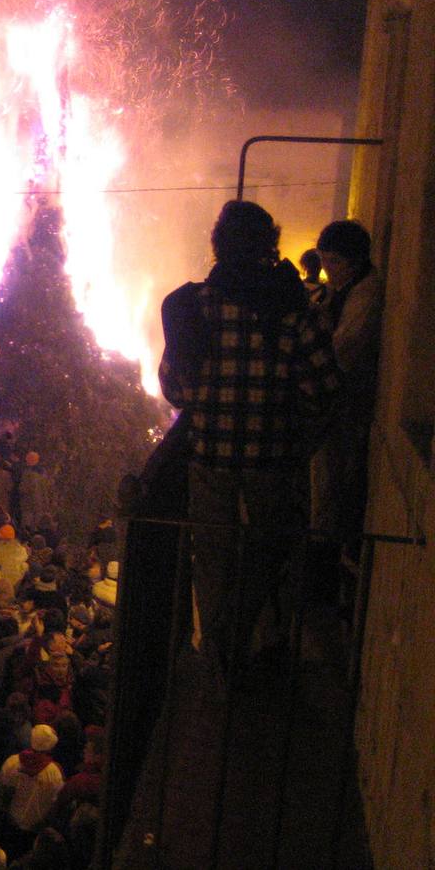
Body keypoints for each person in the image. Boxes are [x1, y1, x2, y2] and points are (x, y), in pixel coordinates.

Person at [159, 201, 342, 688]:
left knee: (214, 559)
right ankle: (255, 647)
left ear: (218, 244)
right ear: (270, 246)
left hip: (209, 461)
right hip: (273, 463)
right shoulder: (295, 315)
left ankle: (219, 659)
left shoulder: (191, 307)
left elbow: (176, 390)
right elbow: (323, 390)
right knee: (270, 553)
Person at [310, 220, 384, 549]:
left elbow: (345, 347)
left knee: (332, 488)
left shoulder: (366, 292)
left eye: (333, 262)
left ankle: (325, 556)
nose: (327, 271)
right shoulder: (348, 289)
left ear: (351, 261)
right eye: (324, 261)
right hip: (337, 405)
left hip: (347, 407)